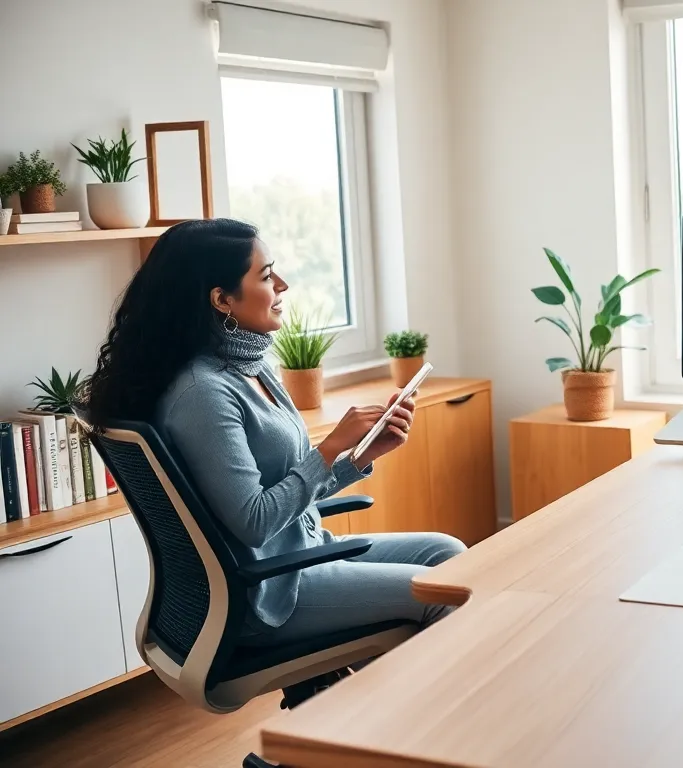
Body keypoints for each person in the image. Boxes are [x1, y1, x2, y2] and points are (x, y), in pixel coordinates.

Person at [84, 218, 465, 650]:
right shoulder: (203, 395)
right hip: (272, 591)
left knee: (447, 553)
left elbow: (286, 484)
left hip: (304, 552)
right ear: (222, 299)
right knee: (444, 594)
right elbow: (255, 522)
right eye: (266, 275)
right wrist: (331, 447)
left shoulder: (252, 365)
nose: (281, 284)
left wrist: (357, 456)